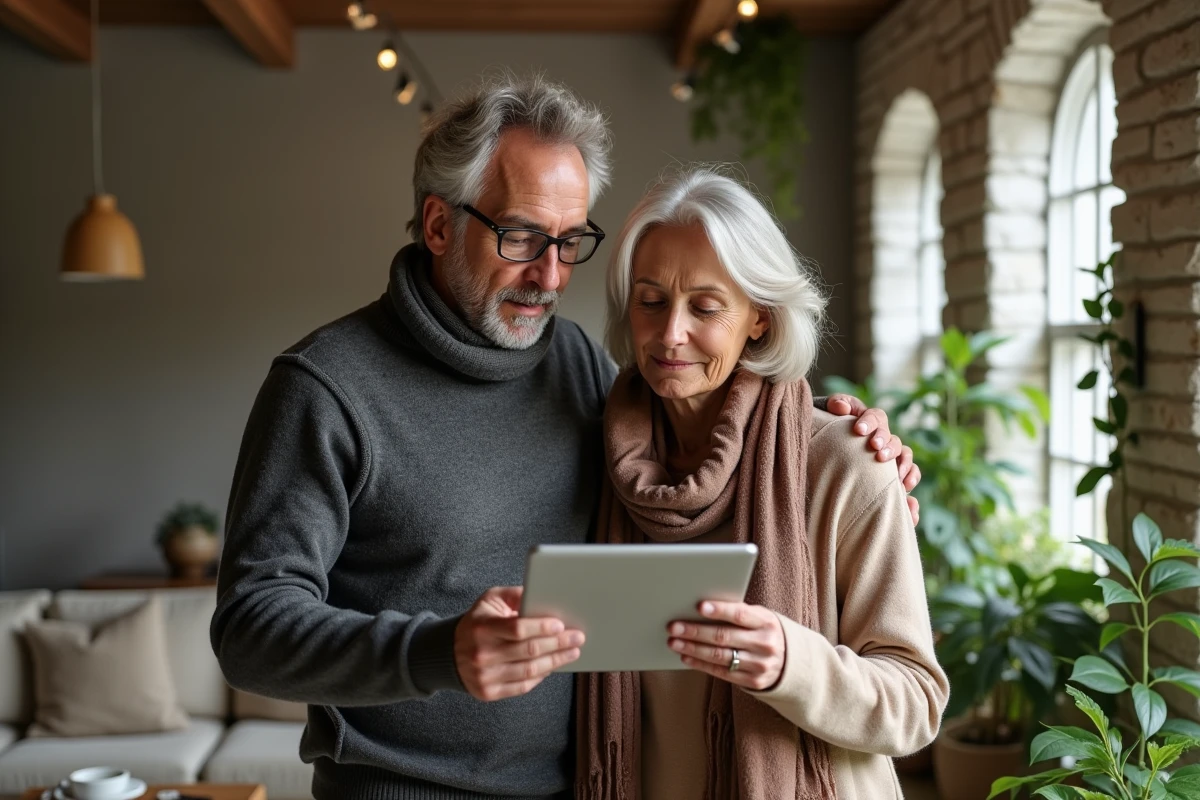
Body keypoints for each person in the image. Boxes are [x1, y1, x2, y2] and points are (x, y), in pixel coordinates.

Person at [210, 74, 921, 800]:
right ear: (437, 225)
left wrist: (836, 430)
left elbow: (713, 407)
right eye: (521, 237)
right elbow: (249, 631)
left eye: (570, 240)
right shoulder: (326, 388)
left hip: (581, 786)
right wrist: (434, 652)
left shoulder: (577, 366)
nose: (549, 275)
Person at [577, 166, 949, 800]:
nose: (671, 333)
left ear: (759, 317)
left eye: (706, 306)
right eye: (650, 300)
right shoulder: (592, 461)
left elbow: (915, 702)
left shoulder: (844, 463)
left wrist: (790, 662)